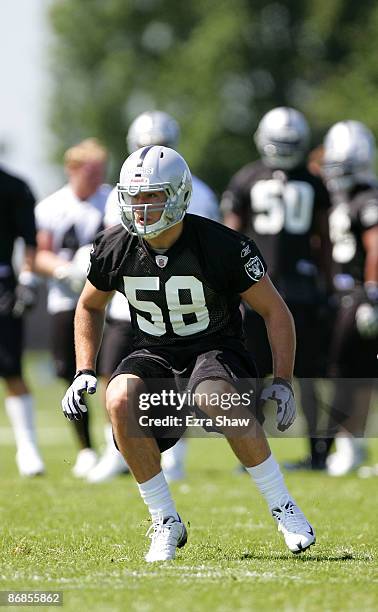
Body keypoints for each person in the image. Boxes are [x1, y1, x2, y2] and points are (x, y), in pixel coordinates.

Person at [62, 145, 315, 562]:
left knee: (212, 396)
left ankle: (283, 505)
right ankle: (165, 520)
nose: (140, 209)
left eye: (152, 196)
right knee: (119, 397)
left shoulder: (221, 245)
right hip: (156, 351)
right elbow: (89, 304)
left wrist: (283, 381)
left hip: (216, 347)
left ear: (178, 195)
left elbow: (276, 312)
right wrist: (84, 368)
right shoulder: (114, 246)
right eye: (134, 196)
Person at [88, 110, 221, 483]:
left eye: (157, 148)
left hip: (180, 304)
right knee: (109, 376)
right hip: (127, 300)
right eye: (144, 148)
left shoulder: (199, 192)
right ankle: (114, 448)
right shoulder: (120, 191)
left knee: (176, 380)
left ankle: (174, 450)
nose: (149, 158)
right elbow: (109, 247)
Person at [221, 107, 333, 471]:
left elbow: (231, 237)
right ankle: (319, 454)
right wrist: (328, 283)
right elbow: (324, 241)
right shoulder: (313, 182)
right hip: (301, 287)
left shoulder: (247, 177)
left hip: (257, 288)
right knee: (308, 375)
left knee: (253, 375)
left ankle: (253, 457)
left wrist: (227, 288)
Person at [35, 138, 111, 477]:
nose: (97, 179)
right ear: (73, 169)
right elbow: (38, 254)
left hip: (110, 299)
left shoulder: (112, 201)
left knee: (112, 369)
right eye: (91, 172)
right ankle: (84, 449)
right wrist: (64, 271)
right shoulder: (51, 207)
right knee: (69, 373)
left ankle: (116, 444)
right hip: (65, 298)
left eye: (101, 172)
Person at [317, 120, 378, 476]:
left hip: (356, 294)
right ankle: (347, 443)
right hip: (339, 293)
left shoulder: (368, 199)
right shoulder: (337, 197)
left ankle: (347, 444)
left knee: (350, 372)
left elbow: (375, 247)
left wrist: (371, 294)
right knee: (347, 372)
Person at [0, 164, 44, 476]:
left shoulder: (14, 186)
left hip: (1, 283)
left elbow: (30, 240)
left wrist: (27, 280)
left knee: (11, 367)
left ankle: (27, 448)